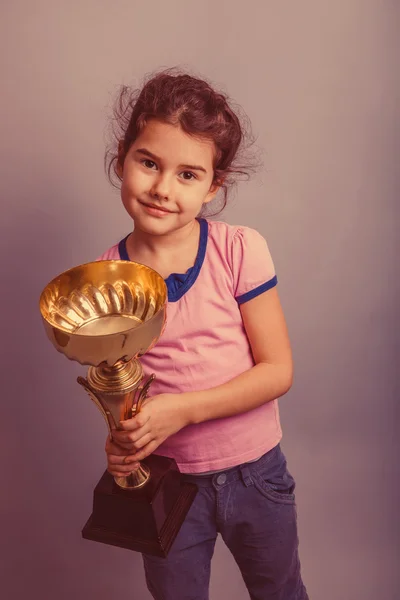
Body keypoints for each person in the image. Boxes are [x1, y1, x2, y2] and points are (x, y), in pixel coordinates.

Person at [97, 68, 308, 600]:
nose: (163, 189)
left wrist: (184, 409)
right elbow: (123, 388)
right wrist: (124, 441)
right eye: (149, 163)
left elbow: (278, 371)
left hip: (256, 474)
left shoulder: (239, 249)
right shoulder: (105, 279)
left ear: (214, 186)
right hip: (168, 482)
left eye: (188, 175)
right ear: (123, 157)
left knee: (280, 592)